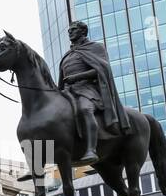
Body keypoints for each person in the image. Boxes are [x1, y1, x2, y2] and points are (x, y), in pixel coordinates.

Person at [57, 19, 133, 165]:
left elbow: (102, 69)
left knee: (85, 109)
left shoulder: (96, 47)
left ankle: (91, 149)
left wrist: (77, 77)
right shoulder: (67, 55)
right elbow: (62, 80)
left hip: (88, 89)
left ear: (83, 31)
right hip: (68, 92)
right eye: (69, 31)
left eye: (73, 29)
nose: (70, 32)